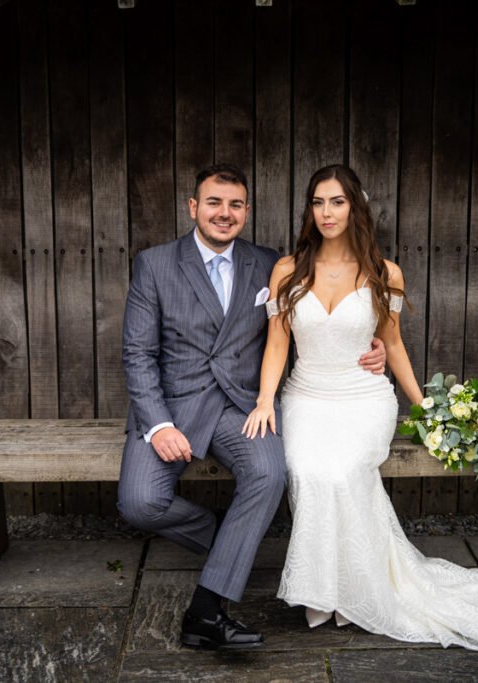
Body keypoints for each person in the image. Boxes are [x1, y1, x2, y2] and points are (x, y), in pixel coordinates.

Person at [242, 164, 478, 660]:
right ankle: (326, 593)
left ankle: (353, 592)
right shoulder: (288, 270)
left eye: (337, 201)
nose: (327, 212)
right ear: (308, 210)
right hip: (306, 395)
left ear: (354, 206)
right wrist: (266, 398)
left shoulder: (384, 272)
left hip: (363, 398)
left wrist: (426, 410)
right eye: (318, 202)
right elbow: (276, 345)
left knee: (342, 469)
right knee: (309, 469)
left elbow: (392, 344)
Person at [118, 163, 387, 650]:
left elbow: (313, 319)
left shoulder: (270, 264)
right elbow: (139, 355)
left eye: (236, 204)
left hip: (242, 408)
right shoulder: (155, 264)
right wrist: (157, 425)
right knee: (139, 502)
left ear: (247, 211)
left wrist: (374, 346)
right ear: (193, 207)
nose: (225, 213)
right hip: (174, 407)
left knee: (268, 472)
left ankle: (207, 610)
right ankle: (228, 537)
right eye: (215, 203)